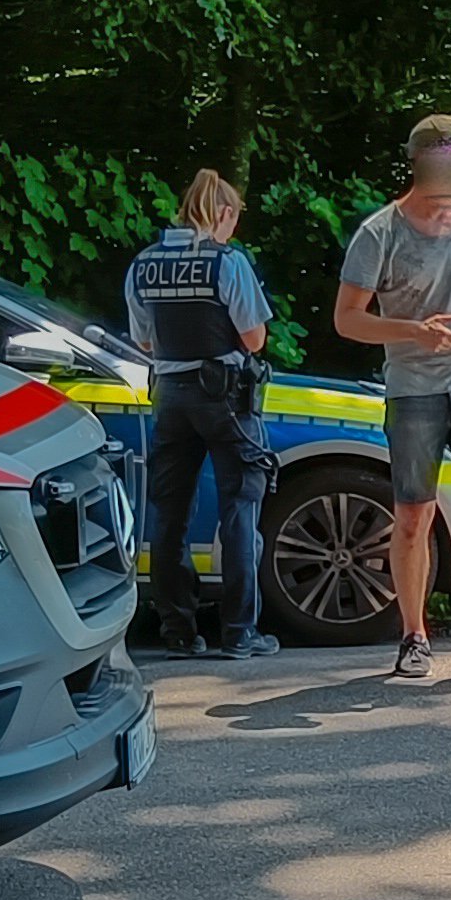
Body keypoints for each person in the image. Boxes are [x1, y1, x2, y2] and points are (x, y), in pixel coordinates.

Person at [334, 113, 451, 680]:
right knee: (413, 516)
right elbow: (348, 320)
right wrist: (415, 331)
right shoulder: (380, 233)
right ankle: (414, 635)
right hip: (415, 390)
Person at [124, 168, 280, 660]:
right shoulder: (226, 263)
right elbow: (255, 338)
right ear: (224, 213)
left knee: (168, 514)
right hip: (226, 398)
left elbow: (144, 339)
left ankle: (178, 628)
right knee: (240, 508)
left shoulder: (145, 264)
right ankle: (239, 632)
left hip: (169, 396)